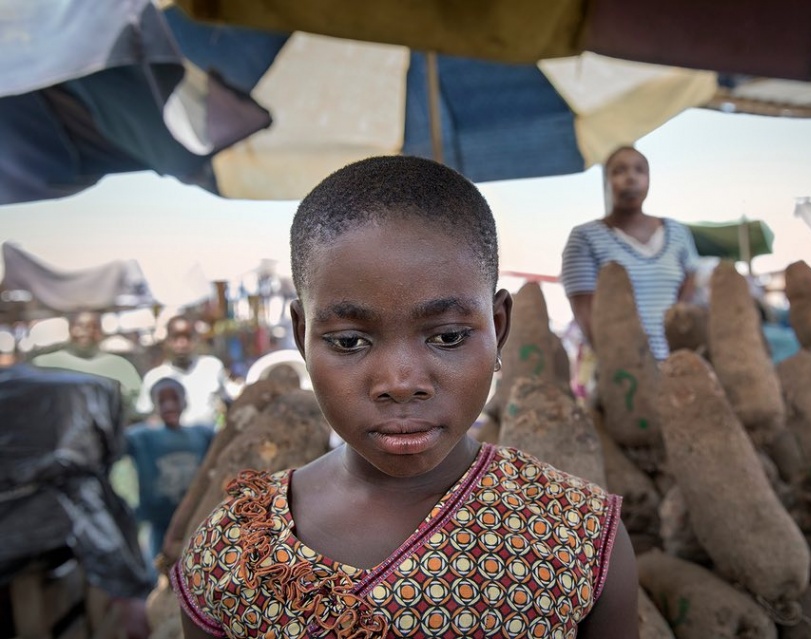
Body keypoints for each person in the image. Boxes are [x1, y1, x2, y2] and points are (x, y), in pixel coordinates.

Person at [172, 156, 637, 638]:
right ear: (301, 334)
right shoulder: (233, 550)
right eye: (350, 342)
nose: (400, 381)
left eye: (449, 336)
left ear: (498, 328)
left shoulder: (578, 534)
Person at [561, 146, 701, 361]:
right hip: (621, 368)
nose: (631, 178)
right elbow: (585, 313)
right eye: (619, 171)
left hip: (674, 362)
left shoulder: (678, 233)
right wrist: (622, 366)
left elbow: (690, 286)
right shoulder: (585, 237)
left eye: (640, 170)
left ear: (649, 179)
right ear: (607, 181)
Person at [125, 377, 215, 561]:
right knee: (160, 567)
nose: (169, 406)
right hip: (160, 522)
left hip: (196, 519)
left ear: (185, 402)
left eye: (174, 399)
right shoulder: (142, 438)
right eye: (162, 401)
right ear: (153, 405)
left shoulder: (202, 435)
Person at [32, 310, 144, 421]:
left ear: (100, 332)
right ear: (70, 329)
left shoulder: (121, 366)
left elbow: (134, 402)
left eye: (93, 327)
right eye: (80, 326)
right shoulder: (44, 364)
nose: (86, 332)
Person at [136, 315, 229, 427]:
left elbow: (228, 404)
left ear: (196, 339)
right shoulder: (155, 377)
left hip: (210, 441)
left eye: (187, 337)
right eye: (176, 337)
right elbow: (144, 416)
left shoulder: (212, 367)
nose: (182, 343)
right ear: (167, 341)